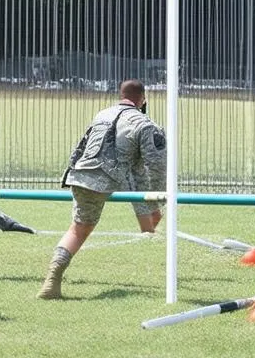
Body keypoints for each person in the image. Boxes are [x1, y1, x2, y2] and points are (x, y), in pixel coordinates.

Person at [39, 78, 166, 300]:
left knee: (78, 230)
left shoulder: (102, 114)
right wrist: (158, 198)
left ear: (121, 95)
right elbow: (155, 165)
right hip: (112, 177)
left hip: (81, 174)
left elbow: (82, 146)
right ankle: (149, 226)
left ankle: (52, 280)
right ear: (142, 99)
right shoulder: (145, 124)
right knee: (143, 196)